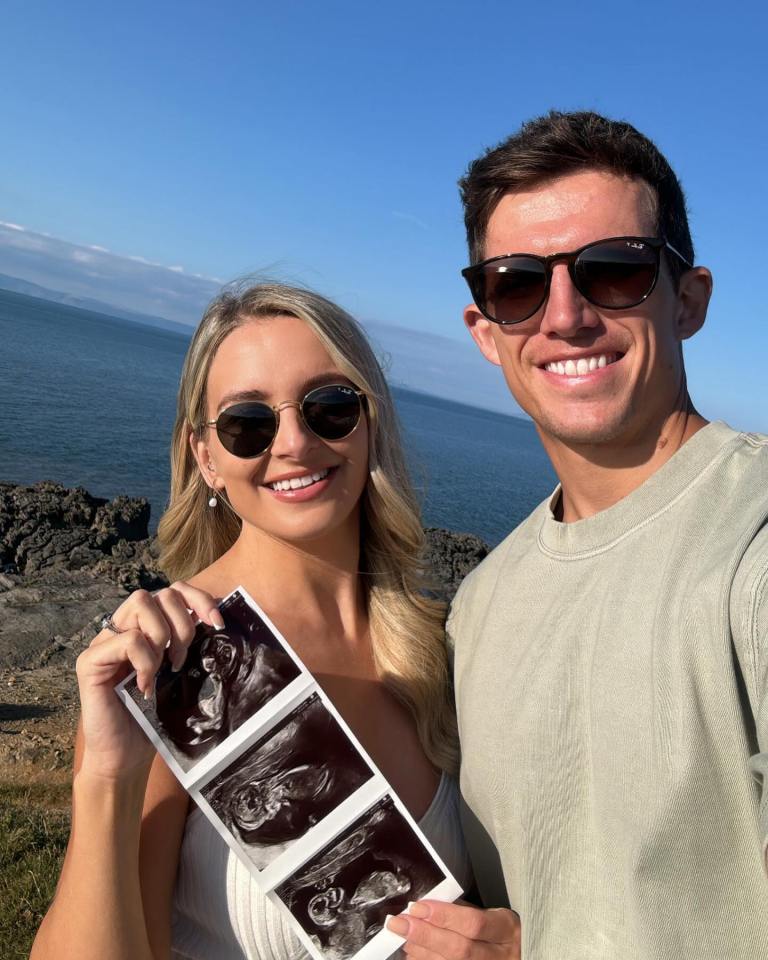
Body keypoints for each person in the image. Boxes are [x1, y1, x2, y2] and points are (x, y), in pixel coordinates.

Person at [31, 283, 520, 960]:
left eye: (329, 407)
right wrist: (107, 777)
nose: (293, 442)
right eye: (248, 423)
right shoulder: (175, 667)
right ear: (206, 457)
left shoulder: (444, 647)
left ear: (369, 423)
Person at [414, 110, 768, 959]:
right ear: (486, 332)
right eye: (517, 284)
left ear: (689, 300)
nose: (565, 315)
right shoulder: (480, 604)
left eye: (615, 272)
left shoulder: (751, 550)